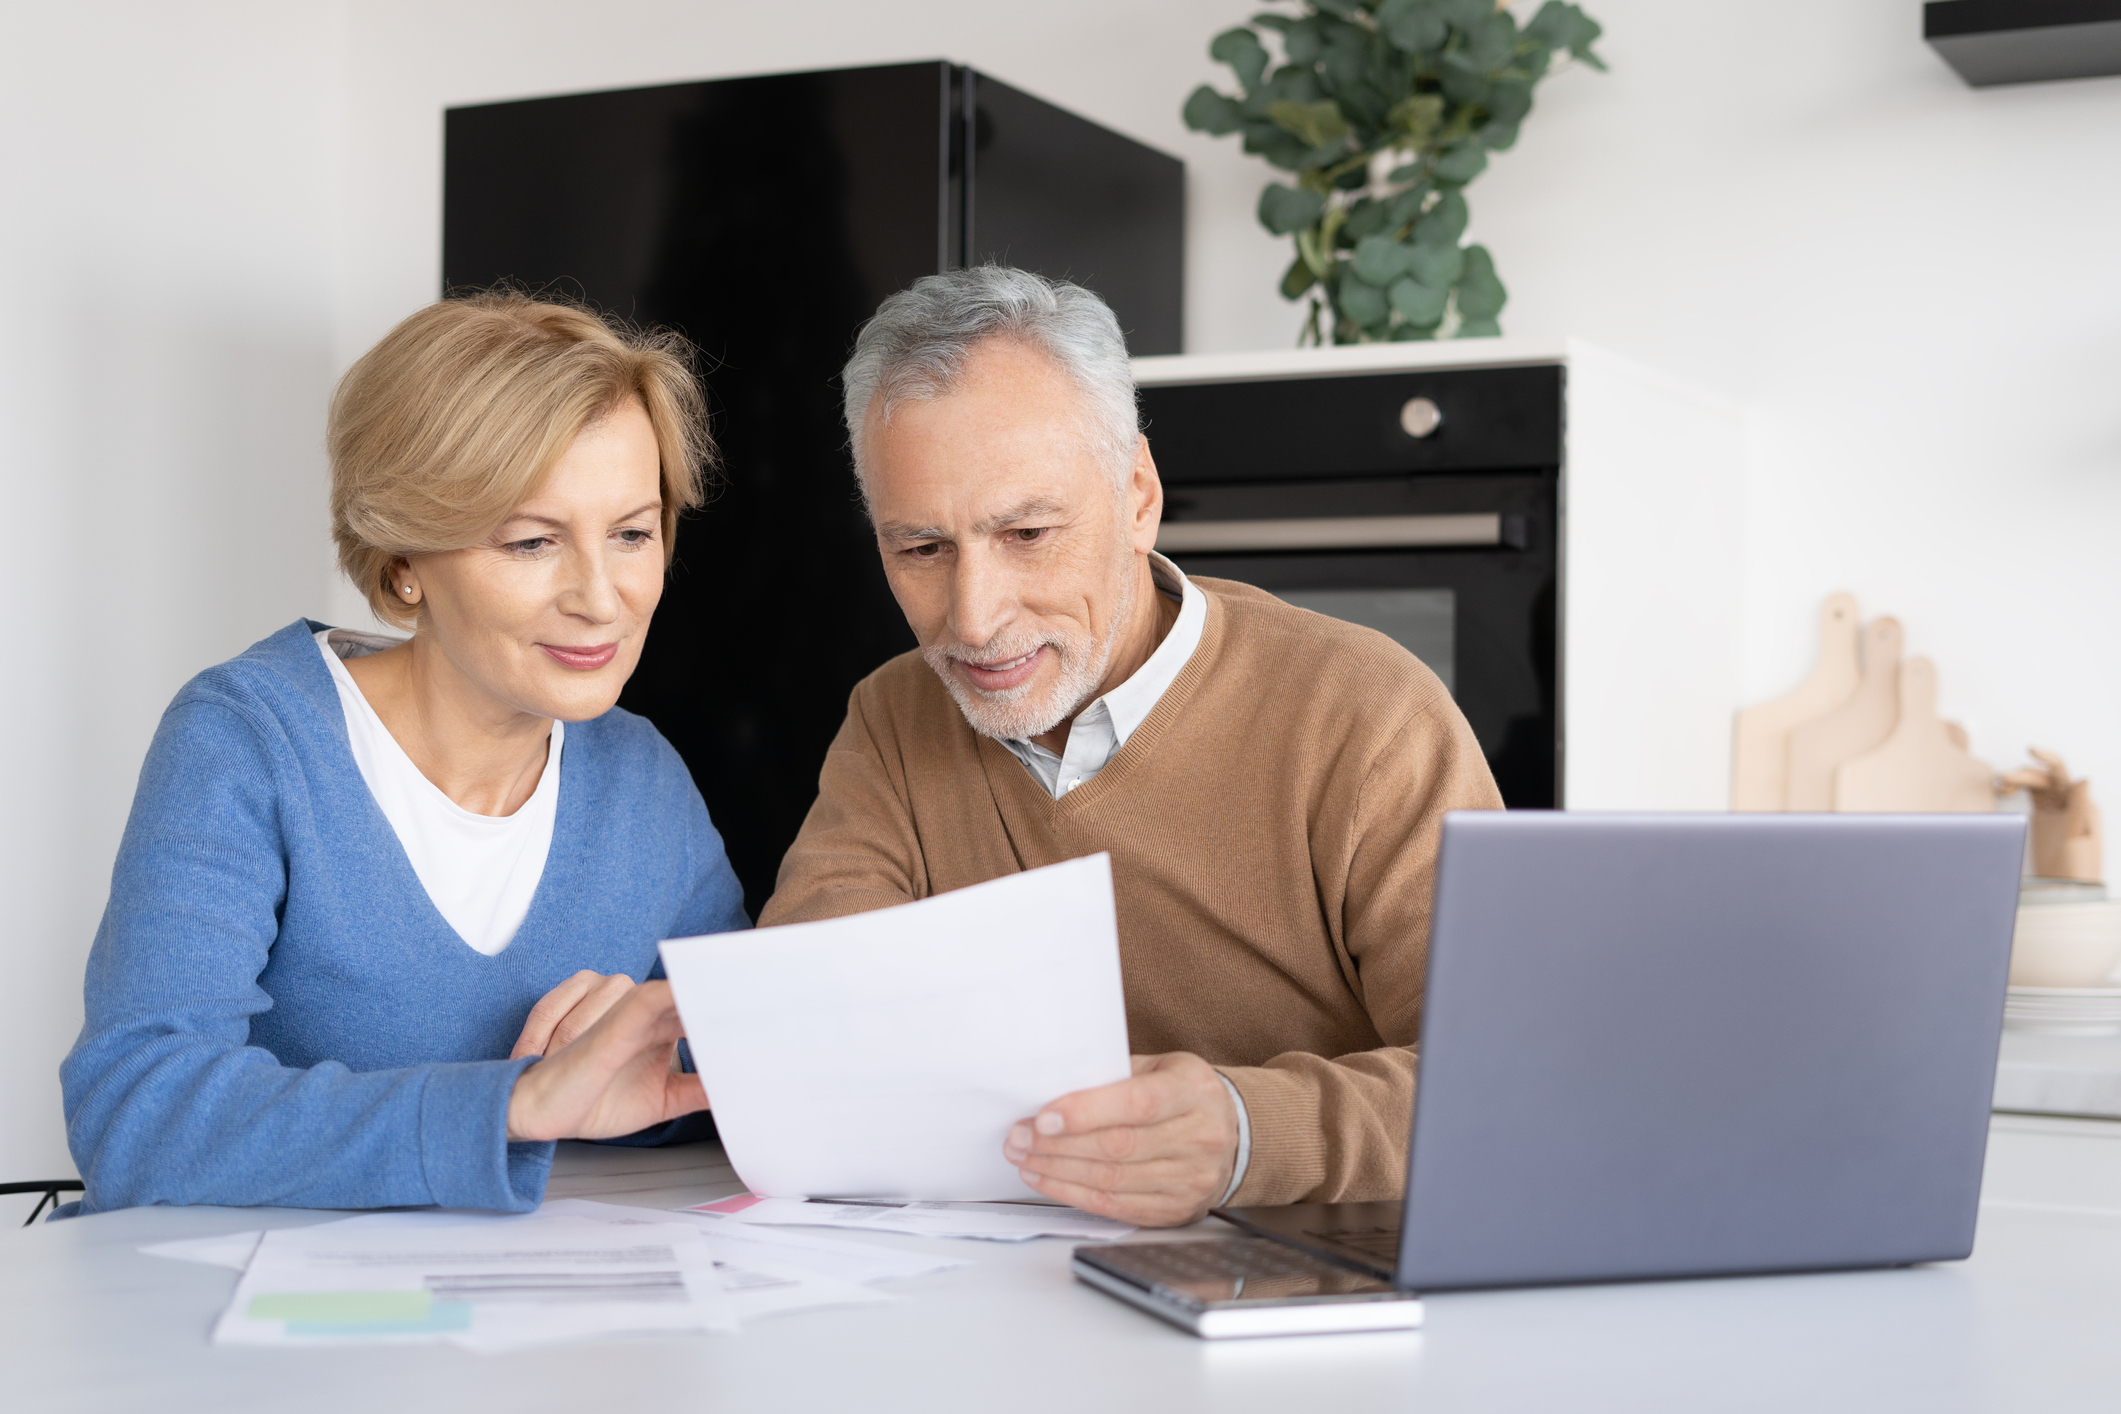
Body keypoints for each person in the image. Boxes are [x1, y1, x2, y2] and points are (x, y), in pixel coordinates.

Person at [762, 267, 1505, 1228]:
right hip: (1002, 1289)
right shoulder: (895, 718)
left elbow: (1504, 1079)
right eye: (920, 550)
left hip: (1322, 1302)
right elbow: (806, 1029)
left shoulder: (1365, 714)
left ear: (1138, 497)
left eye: (1026, 532)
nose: (974, 619)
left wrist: (1246, 1133)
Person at [59, 293, 745, 1215]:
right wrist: (510, 1108)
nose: (602, 596)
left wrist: (646, 1056)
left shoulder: (640, 777)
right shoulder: (248, 741)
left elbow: (748, 1058)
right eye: (533, 541)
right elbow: (137, 1112)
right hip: (272, 1330)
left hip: (552, 1321)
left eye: (631, 532)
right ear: (403, 564)